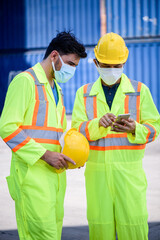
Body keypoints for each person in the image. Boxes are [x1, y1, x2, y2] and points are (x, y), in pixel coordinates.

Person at [71, 32, 160, 240]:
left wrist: (135, 128)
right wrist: (96, 125)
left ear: (124, 63)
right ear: (95, 62)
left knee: (134, 228)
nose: (112, 70)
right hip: (97, 178)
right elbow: (76, 131)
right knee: (100, 230)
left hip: (129, 177)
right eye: (106, 65)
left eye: (117, 66)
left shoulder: (139, 91)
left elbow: (155, 128)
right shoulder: (84, 94)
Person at [0, 31, 87, 240]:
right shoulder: (25, 81)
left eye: (75, 66)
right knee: (41, 235)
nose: (72, 70)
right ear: (54, 56)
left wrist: (73, 155)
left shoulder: (56, 88)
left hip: (54, 177)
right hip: (31, 176)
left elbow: (52, 135)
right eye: (70, 64)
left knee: (53, 233)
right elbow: (7, 127)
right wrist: (45, 155)